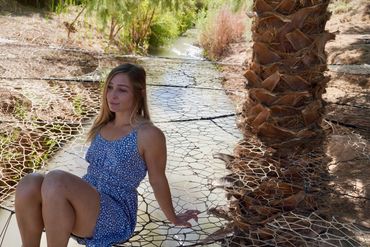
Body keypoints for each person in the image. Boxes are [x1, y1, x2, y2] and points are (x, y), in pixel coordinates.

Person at [15, 63, 200, 247]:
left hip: (115, 214)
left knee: (56, 179)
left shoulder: (148, 134)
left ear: (139, 93)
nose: (112, 95)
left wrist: (173, 217)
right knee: (29, 182)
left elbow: (157, 180)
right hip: (85, 204)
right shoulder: (102, 125)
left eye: (122, 90)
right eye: (110, 87)